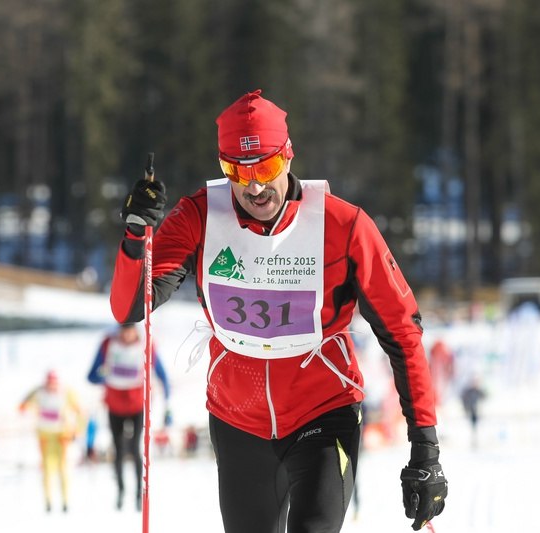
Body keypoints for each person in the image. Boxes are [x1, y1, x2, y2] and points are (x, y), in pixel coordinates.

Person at [110, 88, 448, 532]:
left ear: (288, 156)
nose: (254, 187)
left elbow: (402, 331)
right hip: (238, 421)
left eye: (266, 168)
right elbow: (130, 307)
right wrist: (136, 238)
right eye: (237, 170)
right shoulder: (199, 217)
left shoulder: (343, 225)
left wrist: (425, 449)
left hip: (323, 414)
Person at [87, 322, 172, 511]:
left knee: (135, 448)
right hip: (115, 406)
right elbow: (91, 376)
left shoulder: (146, 344)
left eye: (130, 332)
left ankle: (138, 495)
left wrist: (168, 404)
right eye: (123, 332)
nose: (126, 336)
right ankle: (120, 491)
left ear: (135, 331)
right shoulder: (108, 344)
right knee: (118, 449)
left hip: (137, 405)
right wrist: (104, 374)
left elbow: (162, 375)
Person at [19, 370, 83, 513]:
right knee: (47, 469)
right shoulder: (39, 393)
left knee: (63, 468)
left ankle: (65, 501)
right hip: (45, 436)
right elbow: (24, 405)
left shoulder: (66, 393)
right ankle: (48, 501)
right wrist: (25, 407)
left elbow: (79, 411)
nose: (51, 387)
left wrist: (76, 430)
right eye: (49, 383)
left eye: (54, 384)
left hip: (62, 435)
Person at [459, 377, 485, 450]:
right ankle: (470, 443)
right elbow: (463, 399)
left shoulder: (478, 391)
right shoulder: (468, 391)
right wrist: (466, 408)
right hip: (469, 412)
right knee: (469, 428)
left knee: (477, 428)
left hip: (477, 412)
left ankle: (476, 442)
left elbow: (484, 397)